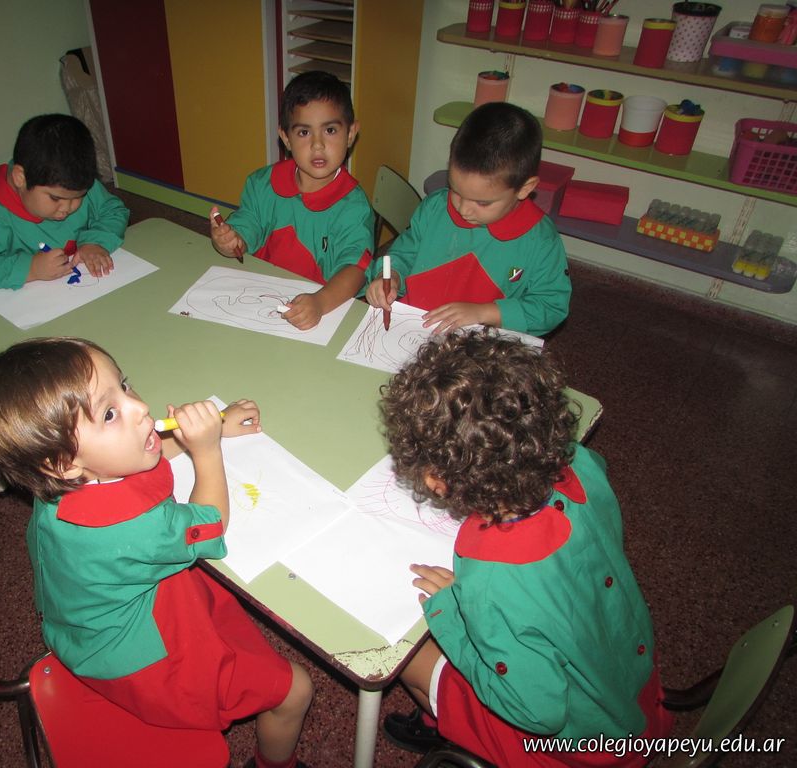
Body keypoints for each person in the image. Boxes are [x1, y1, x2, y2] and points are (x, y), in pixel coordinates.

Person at [0, 338, 314, 768]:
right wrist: (206, 449)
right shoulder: (134, 527)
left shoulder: (60, 482)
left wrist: (212, 426)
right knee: (295, 689)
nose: (140, 407)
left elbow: (138, 455)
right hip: (146, 663)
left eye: (125, 385)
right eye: (109, 413)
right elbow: (211, 520)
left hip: (82, 633)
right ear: (63, 462)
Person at [378, 330, 673, 767]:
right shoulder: (583, 465)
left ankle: (443, 728)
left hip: (584, 747)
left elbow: (537, 713)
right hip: (631, 686)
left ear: (437, 481)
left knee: (409, 656)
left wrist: (454, 621)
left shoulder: (492, 580)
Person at [366, 102, 571, 337]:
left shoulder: (541, 240)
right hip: (414, 327)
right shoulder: (435, 208)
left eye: (482, 202)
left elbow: (551, 307)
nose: (463, 209)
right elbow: (404, 253)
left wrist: (484, 312)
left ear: (525, 188)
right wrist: (390, 276)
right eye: (455, 190)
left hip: (481, 342)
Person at [210, 70, 374, 331]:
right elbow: (246, 226)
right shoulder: (262, 183)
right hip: (259, 297)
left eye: (330, 130)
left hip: (324, 309)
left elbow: (355, 270)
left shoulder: (353, 206)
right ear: (286, 137)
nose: (318, 145)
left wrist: (320, 303)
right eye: (304, 133)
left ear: (351, 133)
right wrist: (229, 242)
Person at [0, 114, 129, 291]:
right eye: (55, 198)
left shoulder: (75, 183)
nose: (68, 208)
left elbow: (113, 211)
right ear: (20, 178)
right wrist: (30, 269)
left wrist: (95, 242)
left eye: (78, 197)